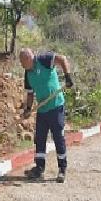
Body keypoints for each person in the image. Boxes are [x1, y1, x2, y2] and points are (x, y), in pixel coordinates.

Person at [19, 48, 74, 183]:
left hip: (56, 106)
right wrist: (27, 108)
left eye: (23, 62)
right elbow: (30, 93)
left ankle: (62, 169)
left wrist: (67, 76)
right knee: (40, 139)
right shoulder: (27, 74)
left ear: (29, 58)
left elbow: (62, 59)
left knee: (58, 138)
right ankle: (39, 168)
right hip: (42, 110)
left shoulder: (44, 59)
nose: (22, 65)